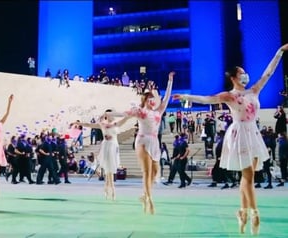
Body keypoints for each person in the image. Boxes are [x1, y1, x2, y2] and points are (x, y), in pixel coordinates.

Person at [172, 44, 288, 235]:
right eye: (241, 73)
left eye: (245, 73)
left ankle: (241, 212)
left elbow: (268, 73)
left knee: (247, 177)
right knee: (248, 176)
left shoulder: (254, 91)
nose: (245, 76)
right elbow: (207, 99)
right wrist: (185, 96)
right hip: (240, 134)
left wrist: (279, 52)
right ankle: (254, 214)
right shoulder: (229, 96)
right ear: (234, 78)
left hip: (254, 134)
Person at [113, 71, 175, 214]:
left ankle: (144, 194)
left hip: (154, 142)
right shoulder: (140, 111)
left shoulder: (158, 111)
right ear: (145, 100)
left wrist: (170, 81)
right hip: (142, 140)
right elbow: (124, 114)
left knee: (154, 172)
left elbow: (166, 98)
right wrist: (110, 115)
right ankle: (149, 199)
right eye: (149, 98)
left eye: (153, 98)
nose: (152, 101)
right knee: (146, 172)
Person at [74, 110, 130, 201]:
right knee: (108, 169)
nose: (109, 116)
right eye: (107, 115)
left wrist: (132, 113)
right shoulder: (102, 124)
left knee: (111, 169)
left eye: (111, 114)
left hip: (113, 145)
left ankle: (110, 188)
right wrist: (78, 123)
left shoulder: (116, 123)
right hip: (106, 146)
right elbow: (89, 125)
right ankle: (109, 188)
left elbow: (126, 118)